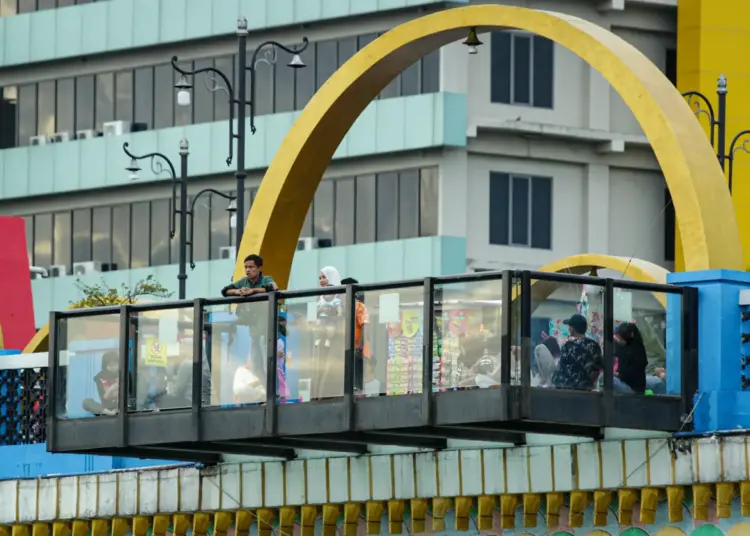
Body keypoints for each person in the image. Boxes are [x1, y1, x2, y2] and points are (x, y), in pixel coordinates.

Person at [221, 254, 278, 377]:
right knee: (256, 365)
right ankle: (264, 391)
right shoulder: (244, 281)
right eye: (246, 267)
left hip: (267, 329)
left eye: (251, 267)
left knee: (269, 364)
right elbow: (225, 291)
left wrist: (253, 291)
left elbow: (274, 288)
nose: (248, 270)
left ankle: (275, 393)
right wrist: (238, 292)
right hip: (254, 328)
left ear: (259, 268)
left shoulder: (266, 279)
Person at [314, 266, 344, 398]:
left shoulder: (342, 294)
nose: (321, 280)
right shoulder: (319, 297)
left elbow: (342, 315)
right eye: (320, 278)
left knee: (330, 370)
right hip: (321, 337)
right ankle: (318, 399)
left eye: (324, 277)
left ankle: (327, 397)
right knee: (318, 371)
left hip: (337, 338)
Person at [552, 314, 603, 390]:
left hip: (567, 390)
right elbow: (596, 370)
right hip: (585, 390)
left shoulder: (568, 346)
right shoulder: (594, 346)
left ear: (572, 329)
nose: (568, 329)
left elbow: (561, 371)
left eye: (569, 327)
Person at [341, 277, 372, 392]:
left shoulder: (359, 306)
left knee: (356, 379)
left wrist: (360, 345)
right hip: (342, 349)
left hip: (355, 348)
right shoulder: (341, 305)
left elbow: (365, 325)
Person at [613, 322, 648, 394]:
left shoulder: (630, 351)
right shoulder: (639, 348)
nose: (619, 340)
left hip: (632, 390)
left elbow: (627, 375)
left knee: (603, 378)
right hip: (638, 389)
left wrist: (617, 375)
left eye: (620, 338)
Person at [82, 351, 120, 416]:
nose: (113, 367)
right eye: (110, 365)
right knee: (86, 402)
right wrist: (112, 388)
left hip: (121, 407)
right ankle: (109, 413)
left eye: (115, 364)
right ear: (105, 366)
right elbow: (105, 397)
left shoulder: (124, 374)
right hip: (106, 409)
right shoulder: (100, 377)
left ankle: (114, 412)